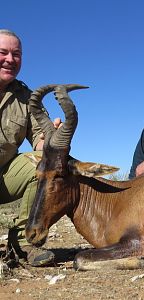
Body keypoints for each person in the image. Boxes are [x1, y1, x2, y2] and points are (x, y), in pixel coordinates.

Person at [0, 29, 59, 266]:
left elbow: (39, 138)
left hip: (5, 175)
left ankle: (25, 243)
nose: (10, 60)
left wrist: (52, 139)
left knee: (45, 164)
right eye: (2, 52)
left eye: (16, 54)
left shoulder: (27, 96)